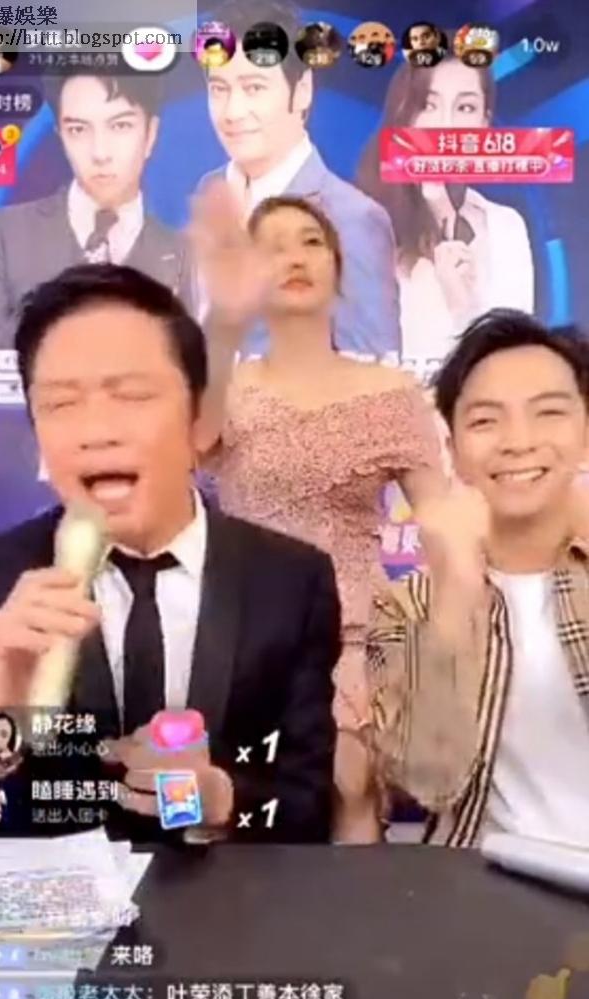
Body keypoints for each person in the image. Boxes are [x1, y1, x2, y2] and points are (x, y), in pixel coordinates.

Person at [0, 264, 341, 843]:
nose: (96, 432)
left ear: (199, 417)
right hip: (58, 900)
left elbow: (307, 809)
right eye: (61, 404)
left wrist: (223, 801)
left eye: (131, 396)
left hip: (231, 897)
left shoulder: (291, 581)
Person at [190, 182, 446, 841]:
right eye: (272, 247)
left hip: (354, 636)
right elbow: (192, 441)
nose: (295, 257)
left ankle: (356, 913)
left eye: (310, 242)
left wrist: (447, 632)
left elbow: (444, 522)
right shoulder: (230, 387)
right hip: (243, 637)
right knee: (235, 808)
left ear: (337, 265)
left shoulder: (391, 392)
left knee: (347, 793)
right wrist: (222, 320)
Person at [367, 310, 589, 849]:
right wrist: (457, 590)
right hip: (484, 880)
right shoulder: (408, 603)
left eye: (548, 413)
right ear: (454, 452)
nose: (519, 441)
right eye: (486, 421)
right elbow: (425, 781)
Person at [191, 0, 400, 359]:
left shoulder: (352, 219)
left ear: (302, 90)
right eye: (219, 89)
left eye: (254, 88)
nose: (233, 112)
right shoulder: (211, 192)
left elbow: (377, 375)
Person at [0, 72, 191, 390]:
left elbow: (196, 372)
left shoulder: (182, 252)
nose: (100, 153)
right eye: (78, 130)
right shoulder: (5, 233)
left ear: (150, 134)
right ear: (61, 137)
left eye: (120, 126)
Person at [356, 56, 534, 372]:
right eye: (428, 105)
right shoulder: (358, 222)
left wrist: (464, 303)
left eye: (465, 108)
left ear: (484, 124)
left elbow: (511, 369)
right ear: (403, 115)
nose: (445, 125)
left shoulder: (506, 228)